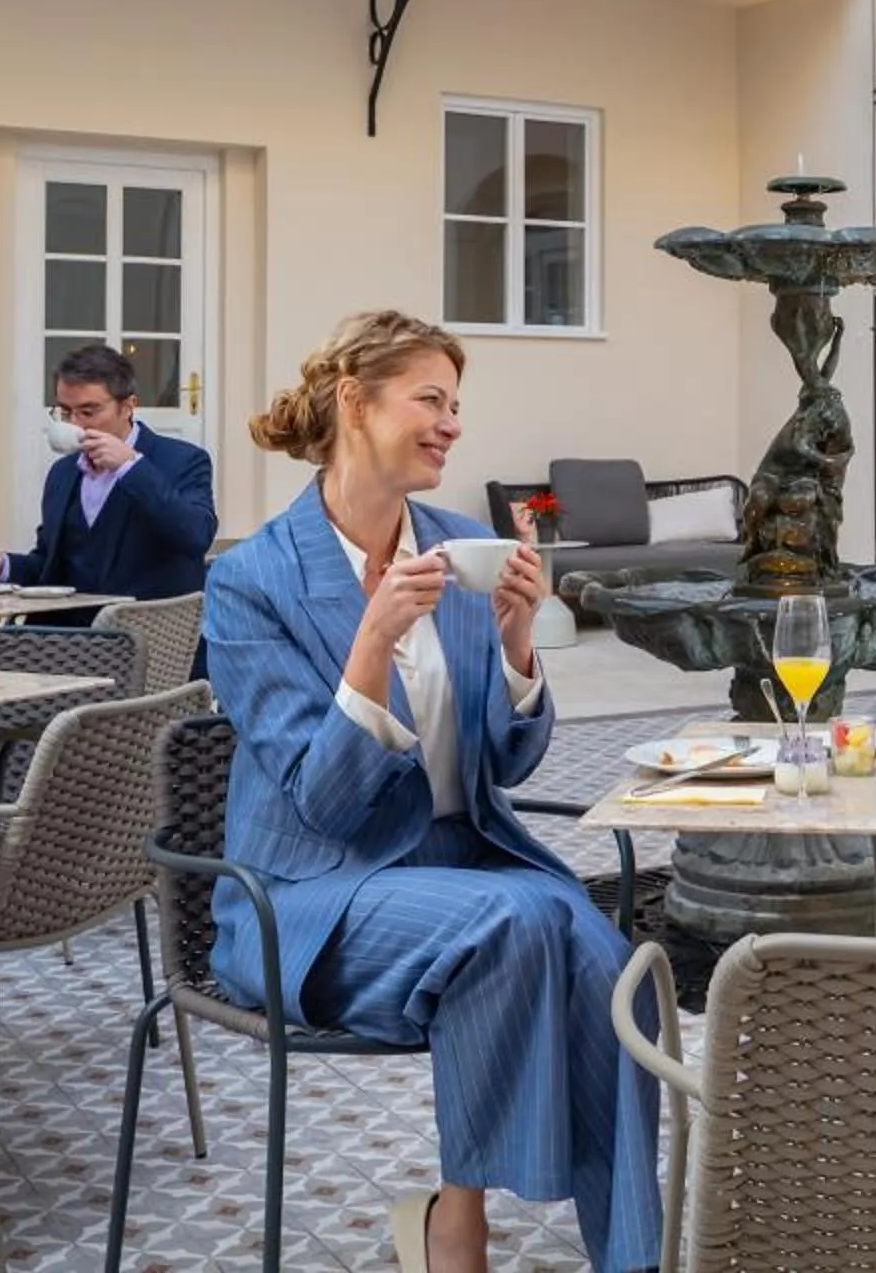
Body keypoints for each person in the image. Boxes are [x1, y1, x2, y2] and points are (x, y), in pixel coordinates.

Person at [201, 310, 658, 1273]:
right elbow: (324, 802)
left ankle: (632, 1256)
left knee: (610, 966)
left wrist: (517, 643)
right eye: (430, 400)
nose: (453, 423)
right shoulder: (251, 580)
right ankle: (460, 1226)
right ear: (354, 402)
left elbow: (507, 765)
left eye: (456, 404)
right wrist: (371, 643)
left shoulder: (460, 546)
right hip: (311, 897)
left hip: (462, 872)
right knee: (522, 916)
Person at [0, 342, 216, 626]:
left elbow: (196, 535)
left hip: (146, 635)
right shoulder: (62, 474)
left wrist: (131, 467)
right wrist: (5, 565)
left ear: (128, 406)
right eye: (65, 412)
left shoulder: (183, 460)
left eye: (88, 412)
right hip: (68, 638)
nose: (75, 424)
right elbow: (50, 565)